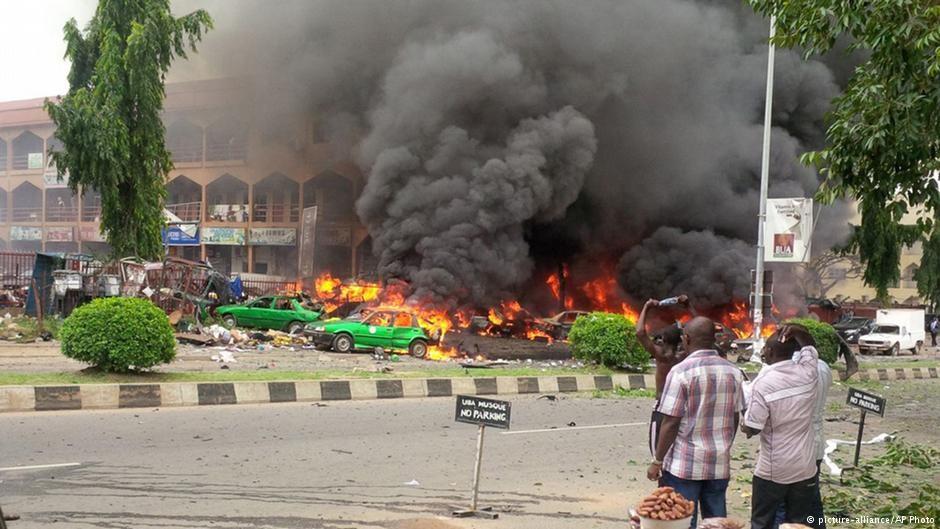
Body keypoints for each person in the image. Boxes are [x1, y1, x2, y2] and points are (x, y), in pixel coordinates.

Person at [646, 317, 745, 527]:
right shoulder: (733, 372)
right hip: (719, 463)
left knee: (682, 521)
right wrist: (724, 444)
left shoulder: (681, 372)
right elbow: (735, 417)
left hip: (684, 465)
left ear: (687, 338)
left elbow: (671, 422)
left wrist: (657, 461)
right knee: (717, 522)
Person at [742, 324, 823, 529]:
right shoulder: (809, 372)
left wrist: (743, 410)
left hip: (773, 469)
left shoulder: (764, 383)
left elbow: (752, 428)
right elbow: (811, 348)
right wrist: (799, 331)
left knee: (762, 522)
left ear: (769, 352)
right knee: (798, 523)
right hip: (805, 466)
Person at [636, 295, 695, 457]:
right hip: (684, 406)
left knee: (658, 448)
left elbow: (640, 332)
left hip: (663, 405)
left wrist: (647, 307)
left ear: (665, 338)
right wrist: (689, 307)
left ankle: (659, 466)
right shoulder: (687, 354)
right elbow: (703, 330)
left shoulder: (661, 355)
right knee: (680, 446)